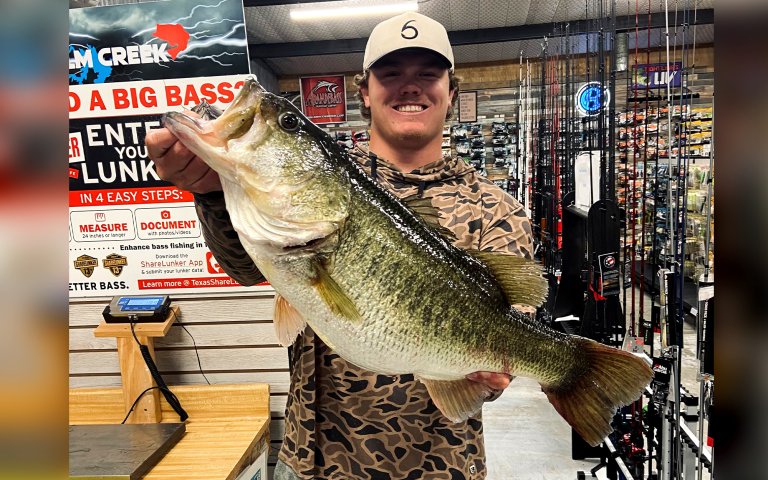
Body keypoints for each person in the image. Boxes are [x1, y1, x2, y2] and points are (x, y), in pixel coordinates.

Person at [146, 11, 534, 480]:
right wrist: (211, 191)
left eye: (428, 75)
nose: (410, 87)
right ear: (364, 91)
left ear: (451, 93)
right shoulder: (322, 172)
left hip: (440, 465)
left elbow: (510, 336)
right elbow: (245, 268)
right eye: (390, 74)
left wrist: (493, 374)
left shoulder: (496, 209)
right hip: (311, 459)